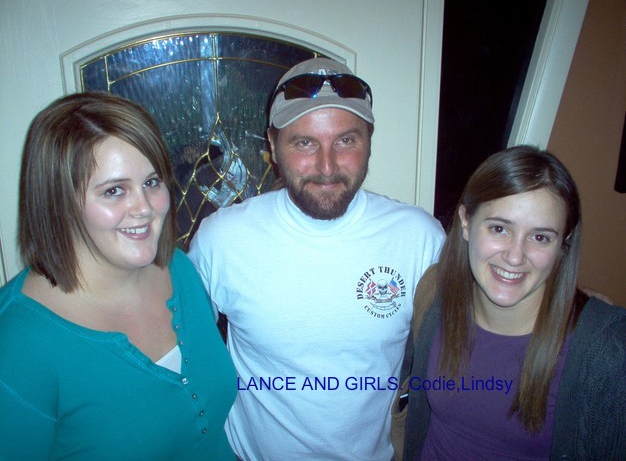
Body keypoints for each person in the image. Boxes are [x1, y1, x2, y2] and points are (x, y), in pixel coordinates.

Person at [187, 57, 445, 459]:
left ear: (369, 142)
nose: (327, 166)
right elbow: (179, 355)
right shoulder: (221, 239)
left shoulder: (419, 238)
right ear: (273, 146)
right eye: (304, 143)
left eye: (346, 141)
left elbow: (454, 361)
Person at [0, 92, 237, 459]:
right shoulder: (16, 343)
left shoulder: (178, 268)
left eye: (152, 182)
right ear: (58, 200)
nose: (145, 208)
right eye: (114, 190)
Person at [392, 145, 626, 460]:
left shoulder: (607, 354)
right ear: (466, 222)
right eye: (499, 229)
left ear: (564, 243)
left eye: (540, 237)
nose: (515, 256)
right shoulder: (435, 296)